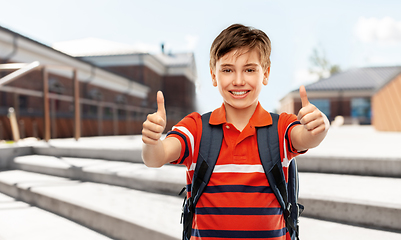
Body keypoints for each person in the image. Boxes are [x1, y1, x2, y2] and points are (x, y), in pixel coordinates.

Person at [142, 23, 330, 240]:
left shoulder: (281, 127)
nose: (239, 80)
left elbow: (307, 137)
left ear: (265, 74)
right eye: (227, 70)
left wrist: (319, 125)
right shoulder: (195, 128)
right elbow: (155, 158)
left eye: (249, 69)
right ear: (213, 76)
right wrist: (152, 141)